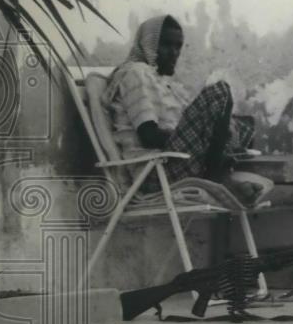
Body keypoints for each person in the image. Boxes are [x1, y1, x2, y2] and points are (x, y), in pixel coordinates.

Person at [103, 15, 271, 205]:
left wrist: (211, 135)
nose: (174, 53)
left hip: (175, 161)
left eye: (178, 46)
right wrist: (203, 140)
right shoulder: (135, 74)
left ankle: (222, 174)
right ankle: (218, 178)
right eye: (166, 45)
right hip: (156, 172)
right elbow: (149, 136)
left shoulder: (158, 80)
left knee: (242, 124)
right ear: (148, 44)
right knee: (219, 93)